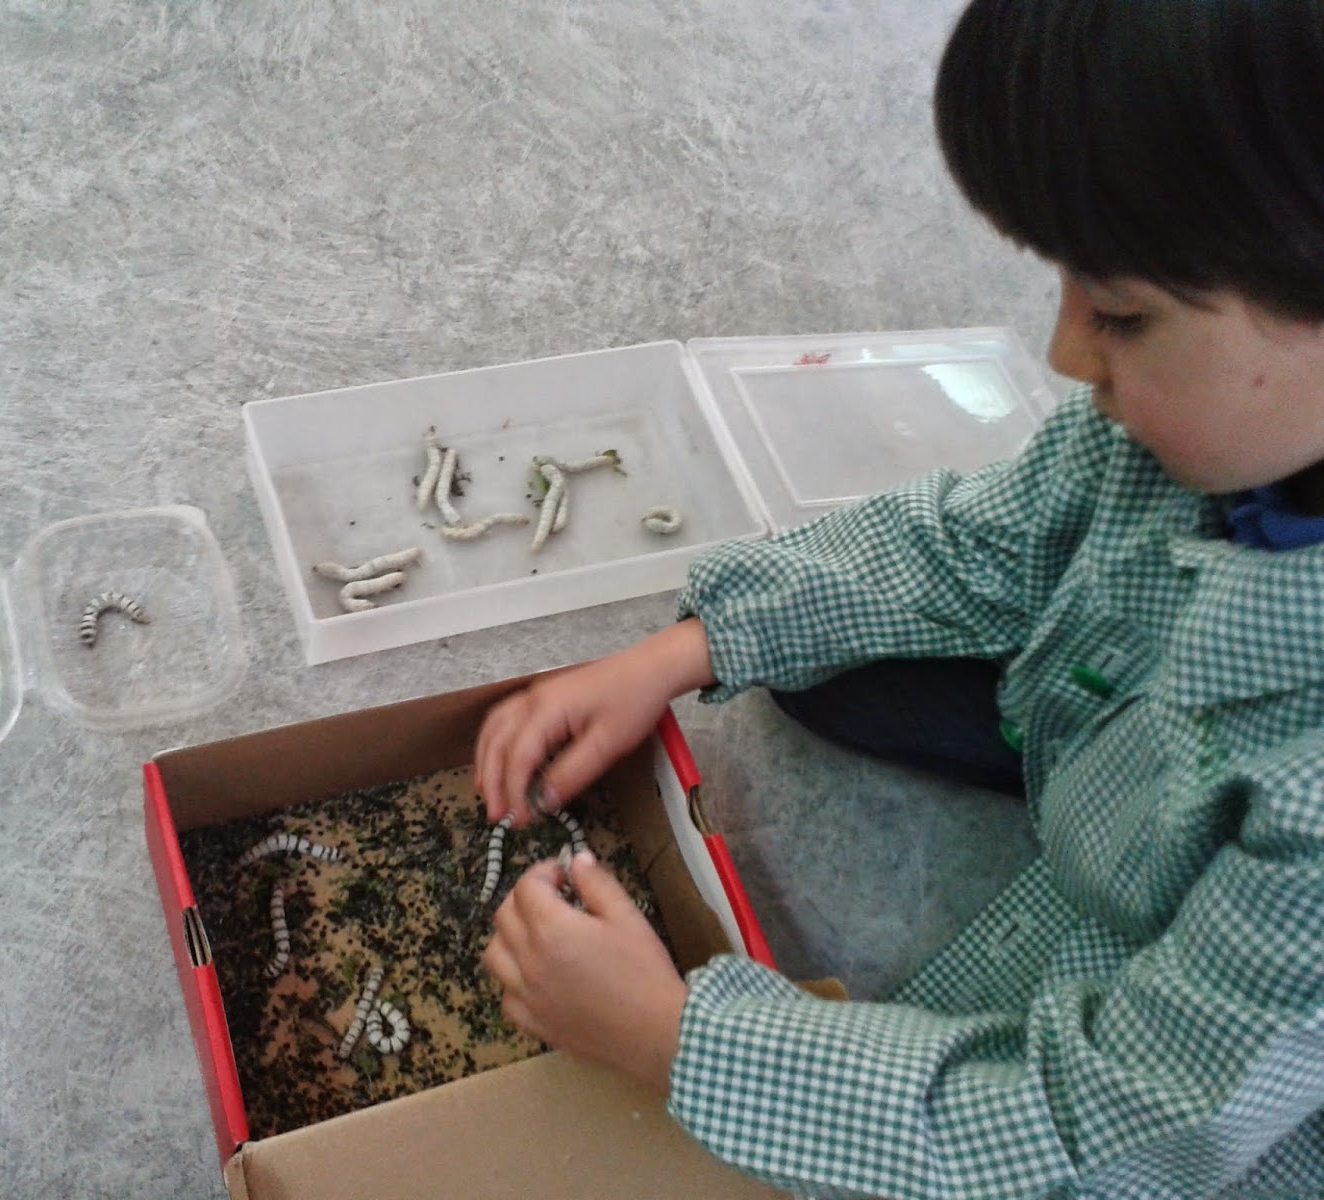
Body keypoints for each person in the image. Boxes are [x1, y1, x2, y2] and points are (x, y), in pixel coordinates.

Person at [475, 0, 1324, 1195]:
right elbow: (977, 539)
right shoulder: (1218, 429)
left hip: (1222, 1109)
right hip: (1152, 721)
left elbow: (1118, 1124)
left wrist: (674, 1041)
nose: (1064, 356)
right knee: (828, 660)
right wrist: (683, 649)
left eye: (1122, 315)